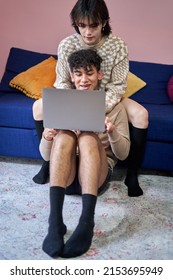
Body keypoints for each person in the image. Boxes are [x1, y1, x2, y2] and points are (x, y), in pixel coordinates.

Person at [33, 0, 148, 197]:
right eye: (82, 25)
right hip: (76, 95)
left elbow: (118, 86)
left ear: (104, 22)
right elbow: (62, 82)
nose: (87, 32)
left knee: (141, 114)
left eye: (93, 25)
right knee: (38, 107)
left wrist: (93, 111)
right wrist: (75, 108)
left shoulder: (117, 45)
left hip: (107, 95)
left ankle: (132, 174)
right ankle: (48, 163)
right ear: (76, 24)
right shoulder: (67, 44)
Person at [40, 49, 130, 258]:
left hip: (96, 175)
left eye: (89, 73)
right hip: (68, 177)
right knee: (63, 136)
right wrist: (47, 136)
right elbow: (46, 157)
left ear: (99, 75)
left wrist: (112, 131)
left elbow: (123, 154)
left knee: (88, 137)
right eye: (78, 74)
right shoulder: (60, 104)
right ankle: (55, 223)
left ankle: (86, 222)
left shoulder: (115, 108)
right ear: (71, 77)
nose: (84, 79)